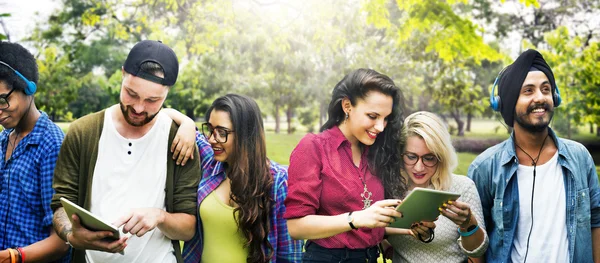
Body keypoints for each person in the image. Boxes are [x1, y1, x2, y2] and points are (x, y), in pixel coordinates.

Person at [50, 40, 201, 263]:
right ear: (122, 74)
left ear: (167, 93)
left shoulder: (179, 140)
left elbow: (187, 229)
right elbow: (61, 203)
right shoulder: (83, 132)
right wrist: (72, 235)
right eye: (131, 93)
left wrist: (159, 217)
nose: (139, 108)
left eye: (153, 100)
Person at [468, 49, 600, 263]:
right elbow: (475, 242)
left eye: (546, 89)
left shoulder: (580, 157)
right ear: (509, 103)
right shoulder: (484, 168)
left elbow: (596, 220)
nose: (540, 97)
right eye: (528, 91)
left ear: (554, 97)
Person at [284, 68, 428, 263]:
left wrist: (408, 228)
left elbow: (364, 228)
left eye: (386, 118)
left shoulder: (377, 152)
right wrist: (355, 218)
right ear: (347, 106)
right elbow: (296, 227)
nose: (380, 127)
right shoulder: (314, 147)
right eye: (372, 116)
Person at [165, 94, 303, 263]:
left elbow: (290, 255)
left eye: (221, 132)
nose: (212, 139)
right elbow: (166, 113)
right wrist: (188, 123)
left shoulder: (278, 182)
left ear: (246, 134)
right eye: (210, 129)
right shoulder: (210, 162)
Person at [386, 111, 488, 262]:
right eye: (411, 157)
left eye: (429, 158)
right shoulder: (389, 190)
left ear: (441, 157)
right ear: (400, 153)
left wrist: (468, 224)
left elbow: (478, 254)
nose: (419, 167)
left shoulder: (462, 187)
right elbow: (371, 236)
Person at [0, 42, 69, 262]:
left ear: (28, 88)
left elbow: (61, 242)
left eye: (3, 100)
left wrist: (12, 257)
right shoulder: (4, 139)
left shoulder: (52, 146)